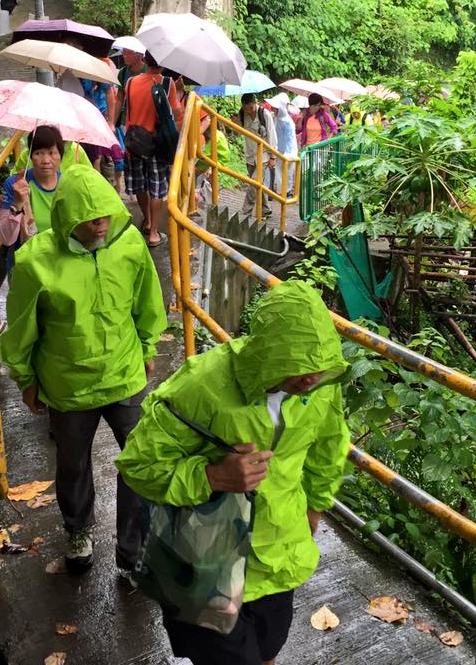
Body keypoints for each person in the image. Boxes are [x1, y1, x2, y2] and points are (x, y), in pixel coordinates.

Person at [116, 280, 350, 665]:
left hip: (278, 555)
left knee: (268, 649)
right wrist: (211, 476)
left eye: (320, 365)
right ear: (269, 352)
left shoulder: (322, 386)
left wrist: (315, 507)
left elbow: (329, 446)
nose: (312, 378)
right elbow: (138, 465)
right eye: (300, 365)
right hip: (205, 558)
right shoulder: (202, 385)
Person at [0, 164, 167, 573]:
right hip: (68, 385)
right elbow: (21, 327)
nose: (101, 225)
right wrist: (26, 379)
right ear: (69, 218)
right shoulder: (36, 261)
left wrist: (147, 347)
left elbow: (147, 300)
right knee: (73, 464)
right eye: (91, 219)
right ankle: (78, 530)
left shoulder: (128, 244)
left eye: (105, 215)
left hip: (124, 373)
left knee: (140, 459)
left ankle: (132, 549)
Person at [123, 51, 182, 248]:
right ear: (162, 63)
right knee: (157, 189)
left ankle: (147, 221)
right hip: (156, 144)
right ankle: (154, 233)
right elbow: (174, 113)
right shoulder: (167, 83)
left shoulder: (130, 82)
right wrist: (178, 93)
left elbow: (129, 110)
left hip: (134, 142)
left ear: (145, 61)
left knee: (140, 185)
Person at [0, 125, 65, 269]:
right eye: (38, 153)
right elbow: (6, 239)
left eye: (52, 153)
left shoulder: (68, 185)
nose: (46, 160)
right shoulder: (15, 184)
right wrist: (17, 203)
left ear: (61, 155)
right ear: (30, 156)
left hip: (59, 265)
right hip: (24, 267)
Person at [236, 93, 278, 218]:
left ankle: (245, 212)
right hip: (250, 154)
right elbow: (239, 132)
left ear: (255, 104)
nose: (249, 111)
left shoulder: (264, 114)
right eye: (246, 108)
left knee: (254, 183)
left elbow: (272, 136)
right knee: (258, 184)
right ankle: (266, 209)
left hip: (263, 154)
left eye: (251, 108)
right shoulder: (242, 114)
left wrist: (273, 157)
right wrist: (236, 123)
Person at [268, 94, 298, 199]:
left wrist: (288, 154)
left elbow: (290, 140)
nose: (272, 109)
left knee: (288, 172)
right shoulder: (274, 118)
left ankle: (288, 192)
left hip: (288, 152)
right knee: (277, 172)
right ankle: (277, 191)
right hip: (277, 150)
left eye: (275, 107)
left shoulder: (288, 122)